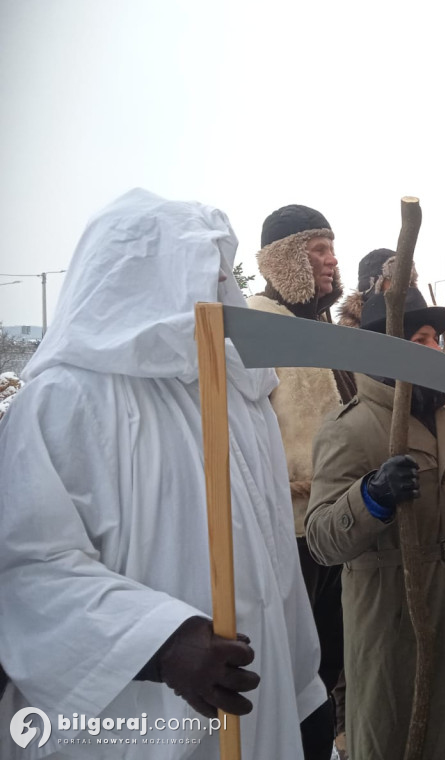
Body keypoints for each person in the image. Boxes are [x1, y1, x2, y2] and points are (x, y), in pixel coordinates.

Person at [0, 189, 327, 759]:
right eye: (203, 271)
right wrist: (160, 640)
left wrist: (302, 688)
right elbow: (28, 565)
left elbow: (275, 562)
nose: (220, 289)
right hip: (136, 718)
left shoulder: (241, 398)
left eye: (222, 274)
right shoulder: (65, 401)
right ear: (140, 274)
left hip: (259, 699)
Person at [304, 285, 445, 760]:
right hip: (395, 618)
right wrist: (371, 496)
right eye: (421, 339)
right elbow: (320, 540)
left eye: (436, 339)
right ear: (387, 346)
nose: (436, 350)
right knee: (406, 741)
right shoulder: (350, 427)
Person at [248, 204, 353, 757]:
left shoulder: (319, 328)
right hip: (288, 529)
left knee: (330, 658)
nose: (332, 260)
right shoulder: (254, 324)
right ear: (284, 258)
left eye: (331, 247)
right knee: (294, 665)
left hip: (337, 520)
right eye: (318, 248)